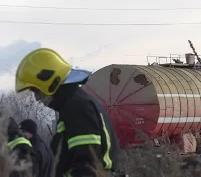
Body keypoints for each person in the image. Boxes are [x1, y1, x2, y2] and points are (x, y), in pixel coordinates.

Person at [15, 48, 121, 177]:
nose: (37, 98)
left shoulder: (76, 107)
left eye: (36, 91)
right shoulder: (72, 105)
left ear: (50, 82)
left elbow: (87, 165)